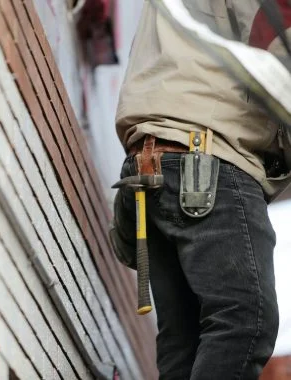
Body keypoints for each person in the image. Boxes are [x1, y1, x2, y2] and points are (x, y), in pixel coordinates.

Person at [112, 0, 291, 379]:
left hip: (155, 160)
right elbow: (280, 43)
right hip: (207, 160)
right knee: (246, 319)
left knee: (185, 343)